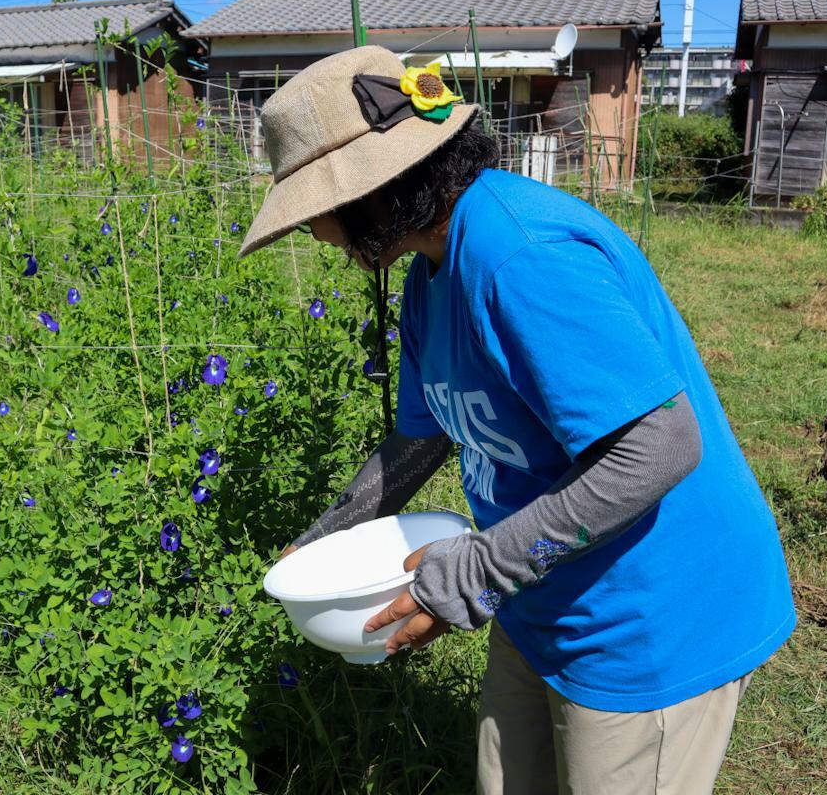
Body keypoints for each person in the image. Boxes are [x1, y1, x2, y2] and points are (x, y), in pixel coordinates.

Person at [238, 46, 796, 795]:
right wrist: (329, 535)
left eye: (316, 209)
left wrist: (475, 570)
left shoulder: (518, 258)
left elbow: (661, 445)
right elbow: (422, 433)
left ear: (374, 190)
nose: (315, 234)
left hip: (648, 616)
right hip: (543, 594)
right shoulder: (429, 276)